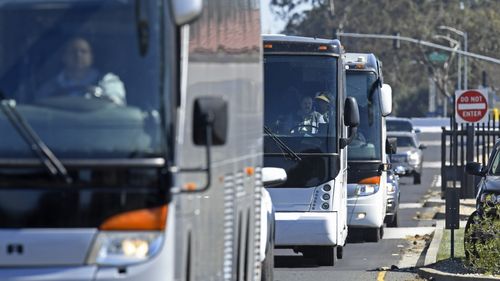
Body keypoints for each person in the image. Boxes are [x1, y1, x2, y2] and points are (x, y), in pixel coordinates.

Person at [38, 37, 126, 105]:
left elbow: (117, 107)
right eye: (73, 52)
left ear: (91, 57)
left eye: (83, 52)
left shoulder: (109, 81)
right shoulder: (50, 87)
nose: (78, 55)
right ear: (64, 57)